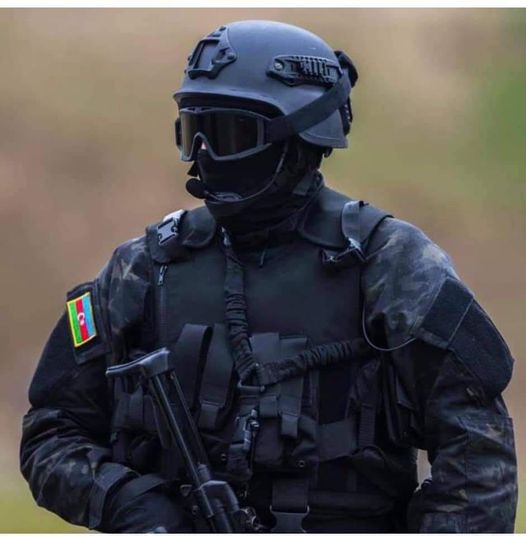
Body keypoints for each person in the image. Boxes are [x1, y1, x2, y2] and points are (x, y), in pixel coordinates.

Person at [20, 20, 517, 533]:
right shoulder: (144, 268)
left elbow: (479, 456)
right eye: (195, 133)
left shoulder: (392, 264)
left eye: (230, 135)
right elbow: (51, 433)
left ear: (298, 138)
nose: (206, 156)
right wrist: (127, 502)